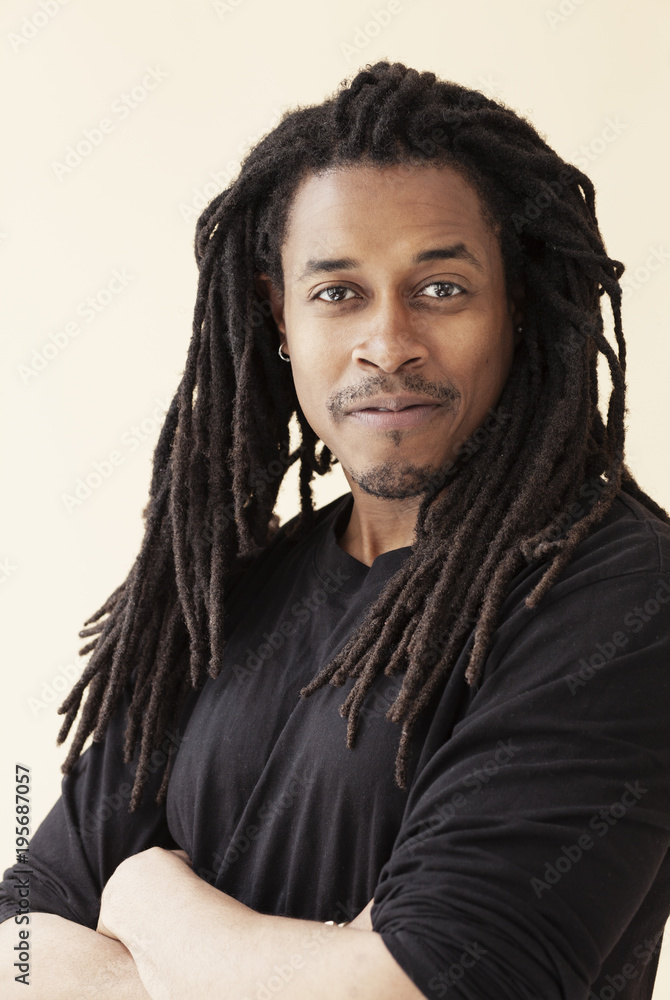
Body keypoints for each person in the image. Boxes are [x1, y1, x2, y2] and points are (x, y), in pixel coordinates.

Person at [1, 59, 669, 1000]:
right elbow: (17, 945)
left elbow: (421, 990)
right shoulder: (218, 598)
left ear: (515, 309)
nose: (388, 341)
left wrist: (149, 905)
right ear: (280, 317)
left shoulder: (615, 595)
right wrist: (317, 961)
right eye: (337, 292)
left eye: (440, 288)